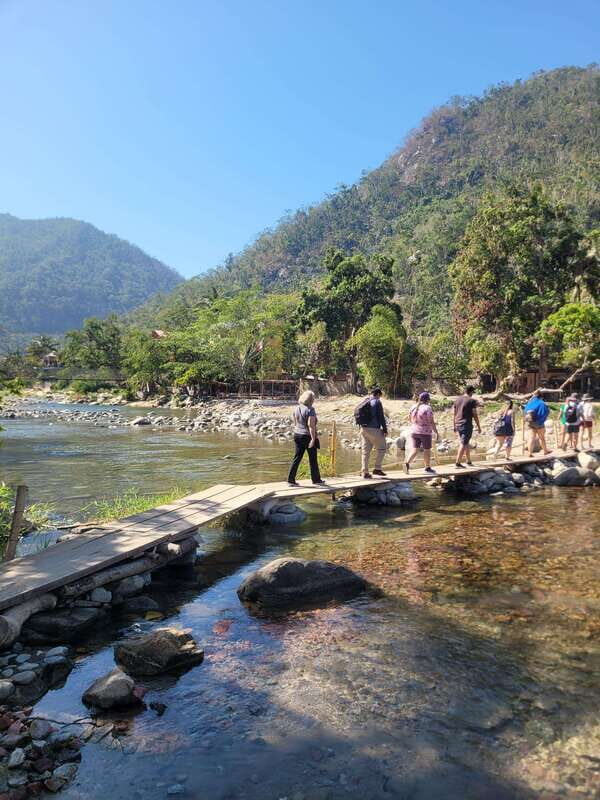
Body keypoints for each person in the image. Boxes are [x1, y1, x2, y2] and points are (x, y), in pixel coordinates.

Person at [287, 390, 325, 487]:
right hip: (307, 436)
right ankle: (316, 480)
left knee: (297, 458)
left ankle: (290, 480)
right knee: (313, 458)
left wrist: (298, 429)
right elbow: (311, 425)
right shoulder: (310, 410)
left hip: (297, 434)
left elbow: (295, 421)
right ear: (311, 400)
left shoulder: (297, 408)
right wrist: (313, 439)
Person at [356, 386, 388, 479]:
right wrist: (385, 429)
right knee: (382, 448)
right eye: (380, 396)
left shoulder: (365, 400)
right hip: (374, 429)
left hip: (363, 429)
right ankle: (377, 468)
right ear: (378, 394)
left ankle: (364, 472)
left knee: (365, 452)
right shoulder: (377, 402)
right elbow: (381, 417)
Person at [405, 391, 439, 473]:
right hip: (425, 432)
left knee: (415, 449)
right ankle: (427, 467)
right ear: (428, 399)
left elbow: (409, 418)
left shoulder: (413, 407)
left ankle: (406, 463)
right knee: (427, 450)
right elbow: (431, 421)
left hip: (414, 431)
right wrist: (436, 432)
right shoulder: (427, 408)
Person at [453, 386, 481, 468]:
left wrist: (454, 425)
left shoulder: (457, 400)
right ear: (471, 392)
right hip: (466, 424)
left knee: (466, 442)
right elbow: (475, 415)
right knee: (463, 443)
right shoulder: (472, 401)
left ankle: (468, 461)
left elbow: (454, 414)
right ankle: (457, 463)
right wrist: (479, 426)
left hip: (458, 423)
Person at [524, 389, 551, 455]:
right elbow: (546, 412)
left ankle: (530, 453)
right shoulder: (542, 403)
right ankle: (545, 451)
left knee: (531, 438)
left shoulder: (531, 402)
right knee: (542, 438)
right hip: (539, 423)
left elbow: (525, 410)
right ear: (541, 396)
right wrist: (543, 419)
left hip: (531, 423)